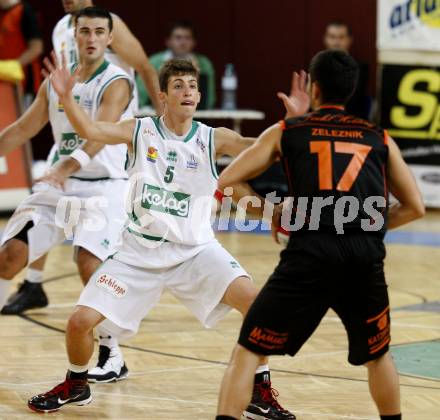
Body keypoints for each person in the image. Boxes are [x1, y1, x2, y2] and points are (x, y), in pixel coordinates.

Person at [27, 58, 295, 420]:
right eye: (178, 85)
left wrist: (293, 124)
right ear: (162, 96)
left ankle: (258, 393)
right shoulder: (139, 131)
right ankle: (77, 383)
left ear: (199, 95)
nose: (187, 91)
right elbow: (92, 129)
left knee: (257, 305)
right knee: (78, 322)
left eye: (191, 86)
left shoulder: (213, 138)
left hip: (196, 252)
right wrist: (67, 100)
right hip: (138, 253)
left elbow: (266, 148)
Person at [215, 49, 425, 420]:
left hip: (309, 254)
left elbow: (228, 181)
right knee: (378, 355)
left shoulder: (287, 132)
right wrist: (368, 224)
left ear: (313, 87)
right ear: (352, 90)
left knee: (248, 350)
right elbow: (415, 207)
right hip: (363, 257)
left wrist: (275, 215)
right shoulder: (378, 137)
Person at [3, 0, 163, 382]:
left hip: (105, 187)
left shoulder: (118, 80)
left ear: (110, 39)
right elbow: (24, 129)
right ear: (72, 34)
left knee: (89, 262)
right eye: (84, 31)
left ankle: (112, 352)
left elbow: (96, 136)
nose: (91, 38)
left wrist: (62, 166)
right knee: (10, 256)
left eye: (98, 32)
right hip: (62, 187)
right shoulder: (57, 81)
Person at [137, 20, 216, 109]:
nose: (183, 43)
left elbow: (210, 100)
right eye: (178, 38)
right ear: (168, 41)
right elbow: (140, 97)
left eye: (187, 38)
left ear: (194, 42)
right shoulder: (154, 62)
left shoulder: (204, 64)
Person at [323, 21, 370, 120]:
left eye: (341, 37)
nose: (336, 42)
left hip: (351, 123)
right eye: (332, 37)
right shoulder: (317, 66)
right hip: (320, 123)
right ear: (325, 39)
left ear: (349, 40)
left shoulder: (360, 68)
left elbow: (352, 100)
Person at [0, 0, 43, 100]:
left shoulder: (24, 10)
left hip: (23, 83)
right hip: (3, 83)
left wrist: (13, 66)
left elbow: (37, 47)